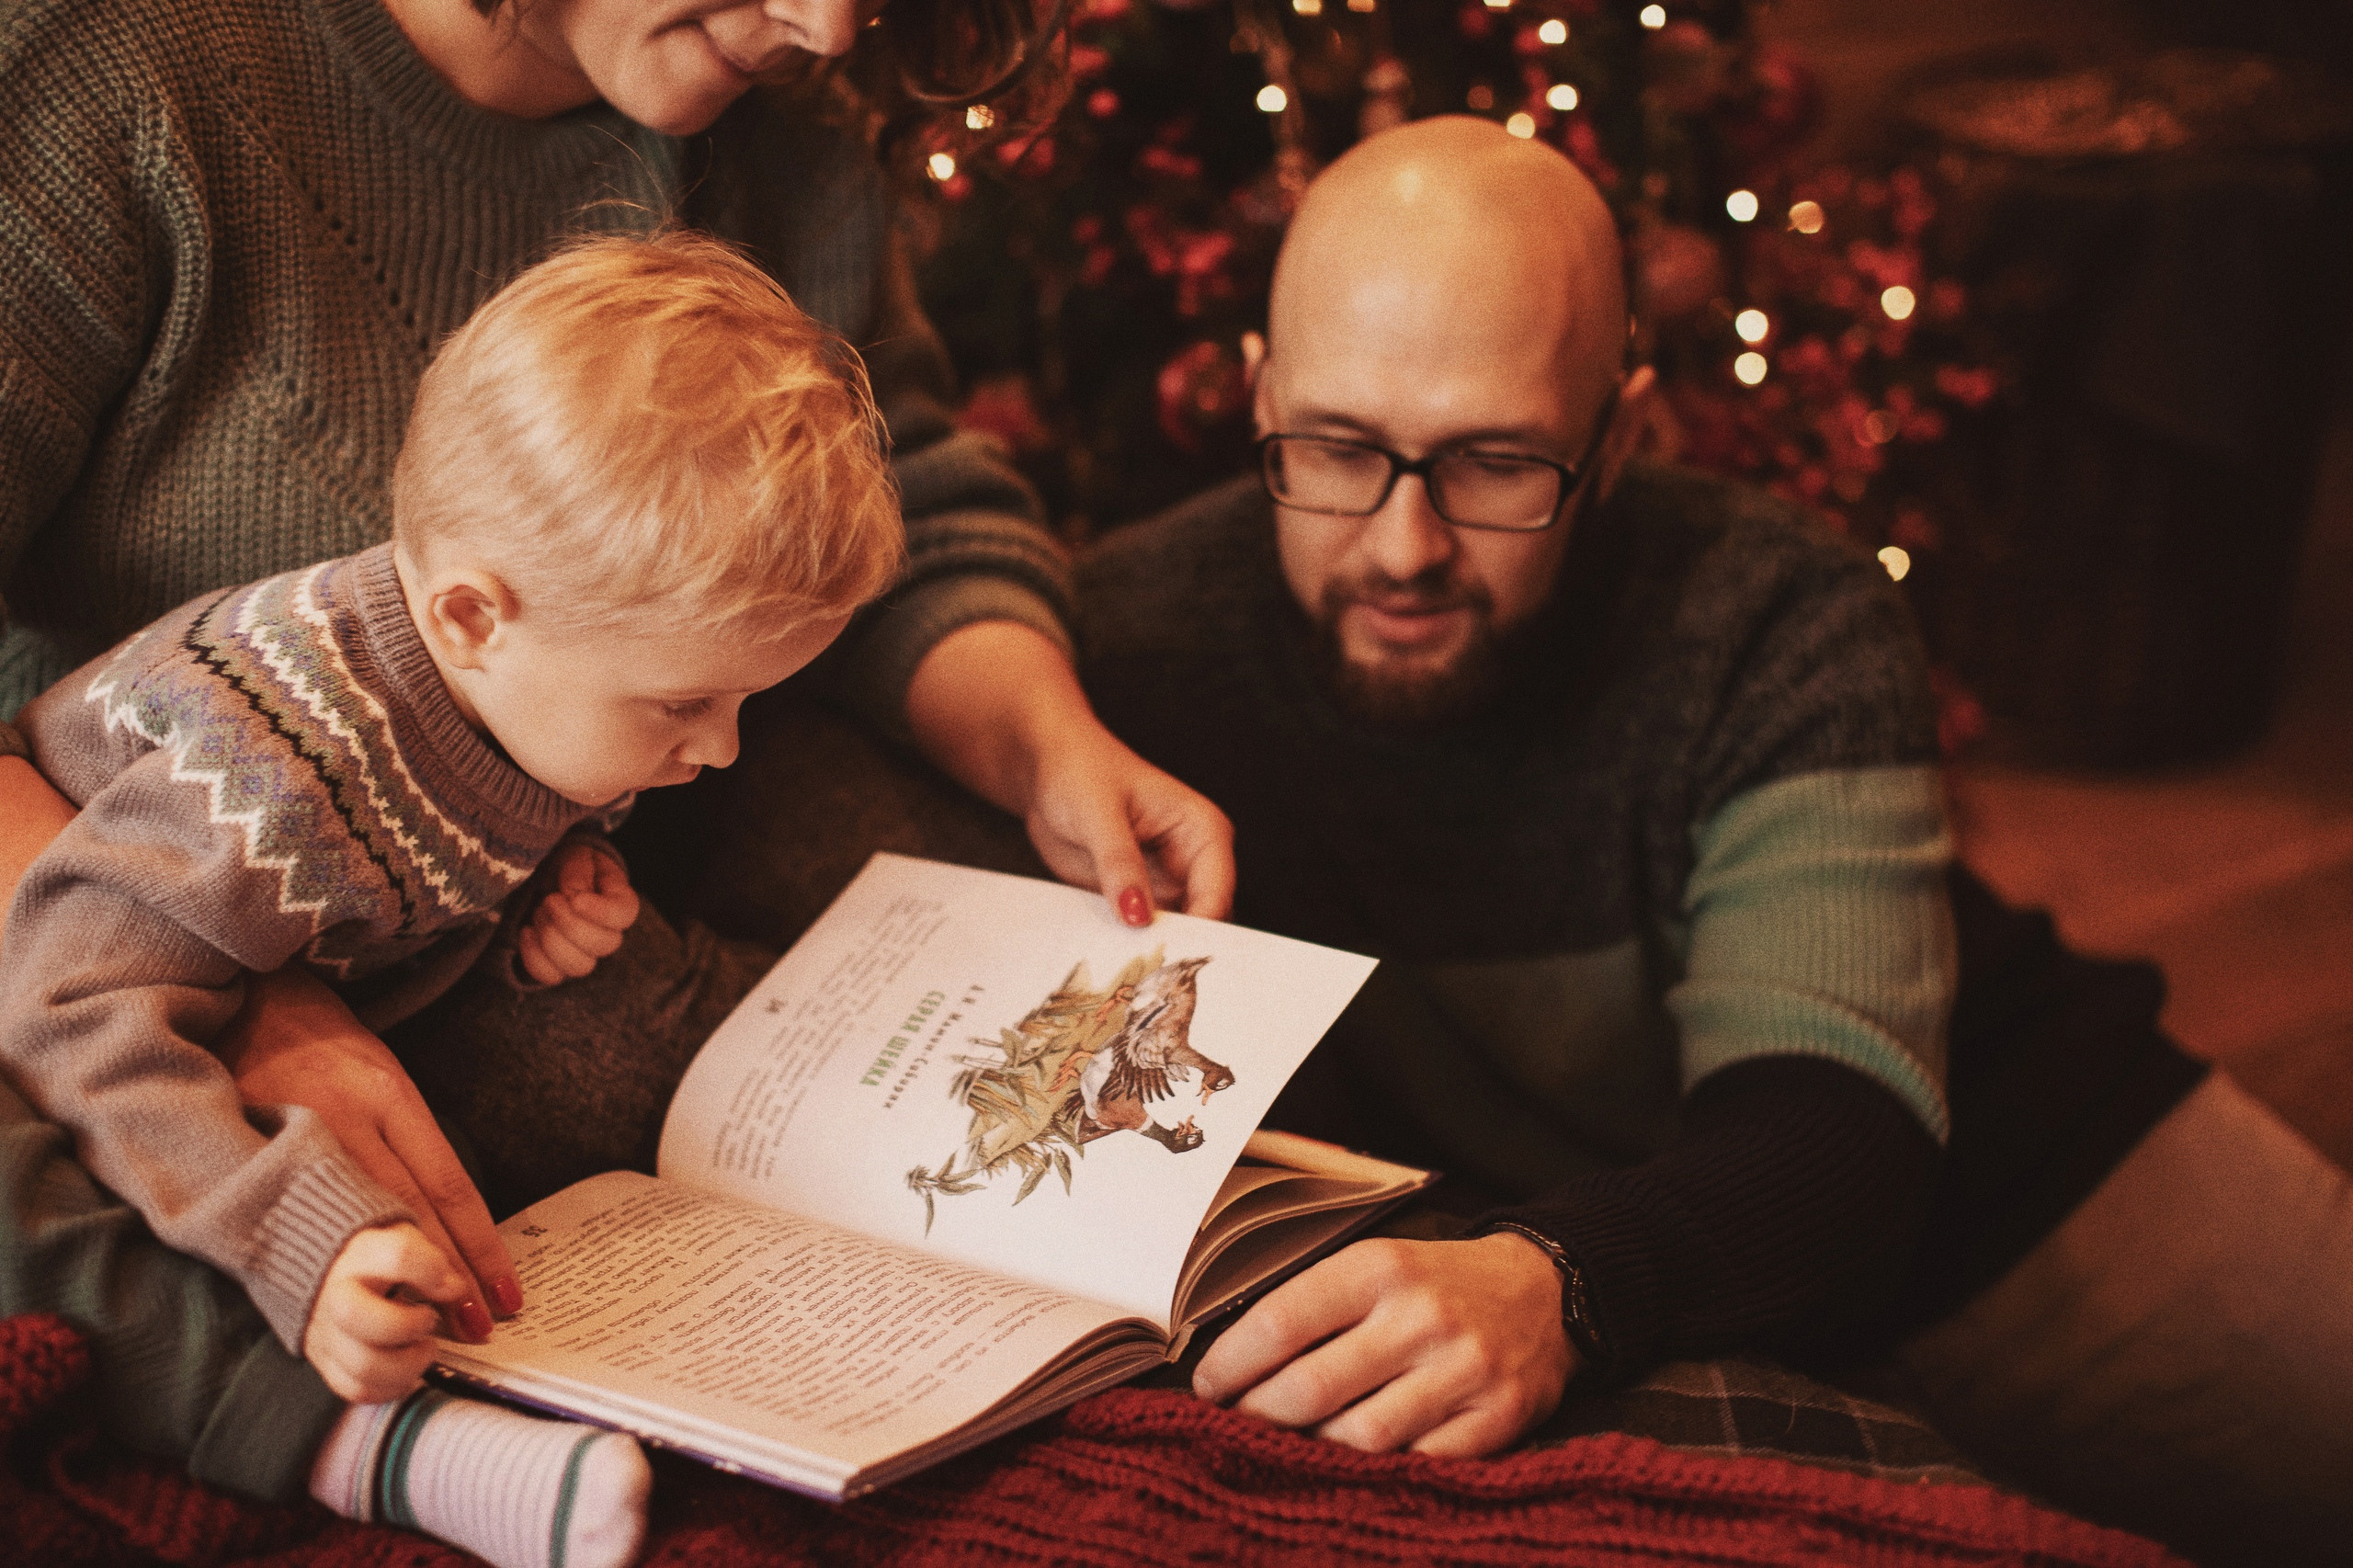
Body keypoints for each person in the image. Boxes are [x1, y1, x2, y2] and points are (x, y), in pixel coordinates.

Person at [0, 0, 1232, 1515]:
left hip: (466, 869)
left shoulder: (782, 112)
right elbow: (88, 969)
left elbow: (888, 506)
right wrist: (227, 990)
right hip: (119, 871)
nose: (827, 25)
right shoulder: (106, 70)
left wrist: (1050, 743)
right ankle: (341, 1436)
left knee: (988, 918)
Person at [1073, 116, 2353, 1564]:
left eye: (1496, 461)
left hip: (2011, 1182)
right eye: (1339, 448)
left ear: (1618, 436)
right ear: (1259, 396)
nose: (1405, 545)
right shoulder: (1128, 640)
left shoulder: (1777, 612)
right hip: (1613, 1282)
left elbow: (1838, 1137)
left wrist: (1559, 1276)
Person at [3, 230, 901, 1568]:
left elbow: (438, 865)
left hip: (232, 956)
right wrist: (297, 1236)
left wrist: (550, 888)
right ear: (475, 617)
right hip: (72, 973)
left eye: (742, 701)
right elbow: (74, 1009)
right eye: (684, 704)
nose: (719, 750)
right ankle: (358, 1441)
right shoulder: (274, 775)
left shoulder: (536, 682)